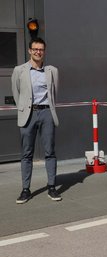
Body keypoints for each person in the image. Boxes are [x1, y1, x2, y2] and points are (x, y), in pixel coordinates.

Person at [11, 38, 61, 204]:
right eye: (35, 49)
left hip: (47, 112)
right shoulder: (19, 70)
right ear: (29, 51)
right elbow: (16, 93)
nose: (38, 52)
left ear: (44, 51)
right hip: (28, 114)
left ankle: (52, 187)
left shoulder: (52, 70)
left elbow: (54, 92)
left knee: (50, 152)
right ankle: (26, 190)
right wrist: (24, 109)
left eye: (41, 49)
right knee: (27, 153)